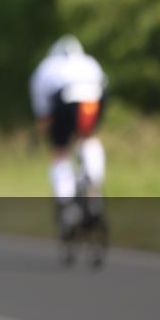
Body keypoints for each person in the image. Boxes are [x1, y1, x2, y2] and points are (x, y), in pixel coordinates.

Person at [29, 35, 108, 238]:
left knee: (60, 152)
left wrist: (44, 126)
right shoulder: (89, 61)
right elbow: (104, 86)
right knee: (89, 138)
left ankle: (67, 206)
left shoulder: (47, 66)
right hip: (93, 100)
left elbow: (42, 106)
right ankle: (94, 185)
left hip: (65, 99)